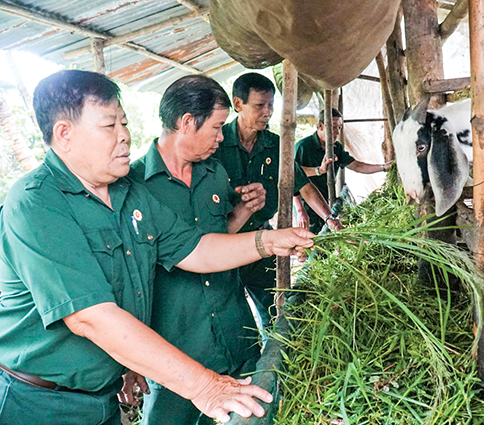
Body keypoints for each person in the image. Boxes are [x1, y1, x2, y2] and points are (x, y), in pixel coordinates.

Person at [0, 70, 313, 425]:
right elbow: (90, 316)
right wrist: (205, 386)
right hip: (37, 401)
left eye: (124, 123)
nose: (125, 136)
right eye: (109, 126)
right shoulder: (36, 203)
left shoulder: (128, 194)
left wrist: (269, 240)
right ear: (64, 134)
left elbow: (196, 250)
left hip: (101, 399)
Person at [127, 75, 267, 425]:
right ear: (188, 122)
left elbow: (217, 239)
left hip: (238, 337)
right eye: (218, 127)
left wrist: (246, 210)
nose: (222, 137)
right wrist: (130, 361)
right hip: (178, 353)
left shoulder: (215, 172)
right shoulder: (133, 187)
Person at [213, 73, 340, 327]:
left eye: (271, 105)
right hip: (223, 245)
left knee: (274, 317)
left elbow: (304, 187)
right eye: (259, 105)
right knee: (231, 320)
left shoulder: (276, 145)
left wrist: (329, 217)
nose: (267, 112)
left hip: (262, 245)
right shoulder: (216, 143)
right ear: (238, 104)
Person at [294, 108, 392, 233]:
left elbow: (357, 166)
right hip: (306, 205)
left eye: (340, 127)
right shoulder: (303, 147)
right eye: (334, 127)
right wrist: (299, 210)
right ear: (320, 126)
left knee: (325, 237)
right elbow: (293, 177)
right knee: (309, 240)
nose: (337, 132)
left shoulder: (336, 148)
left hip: (325, 200)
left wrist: (384, 167)